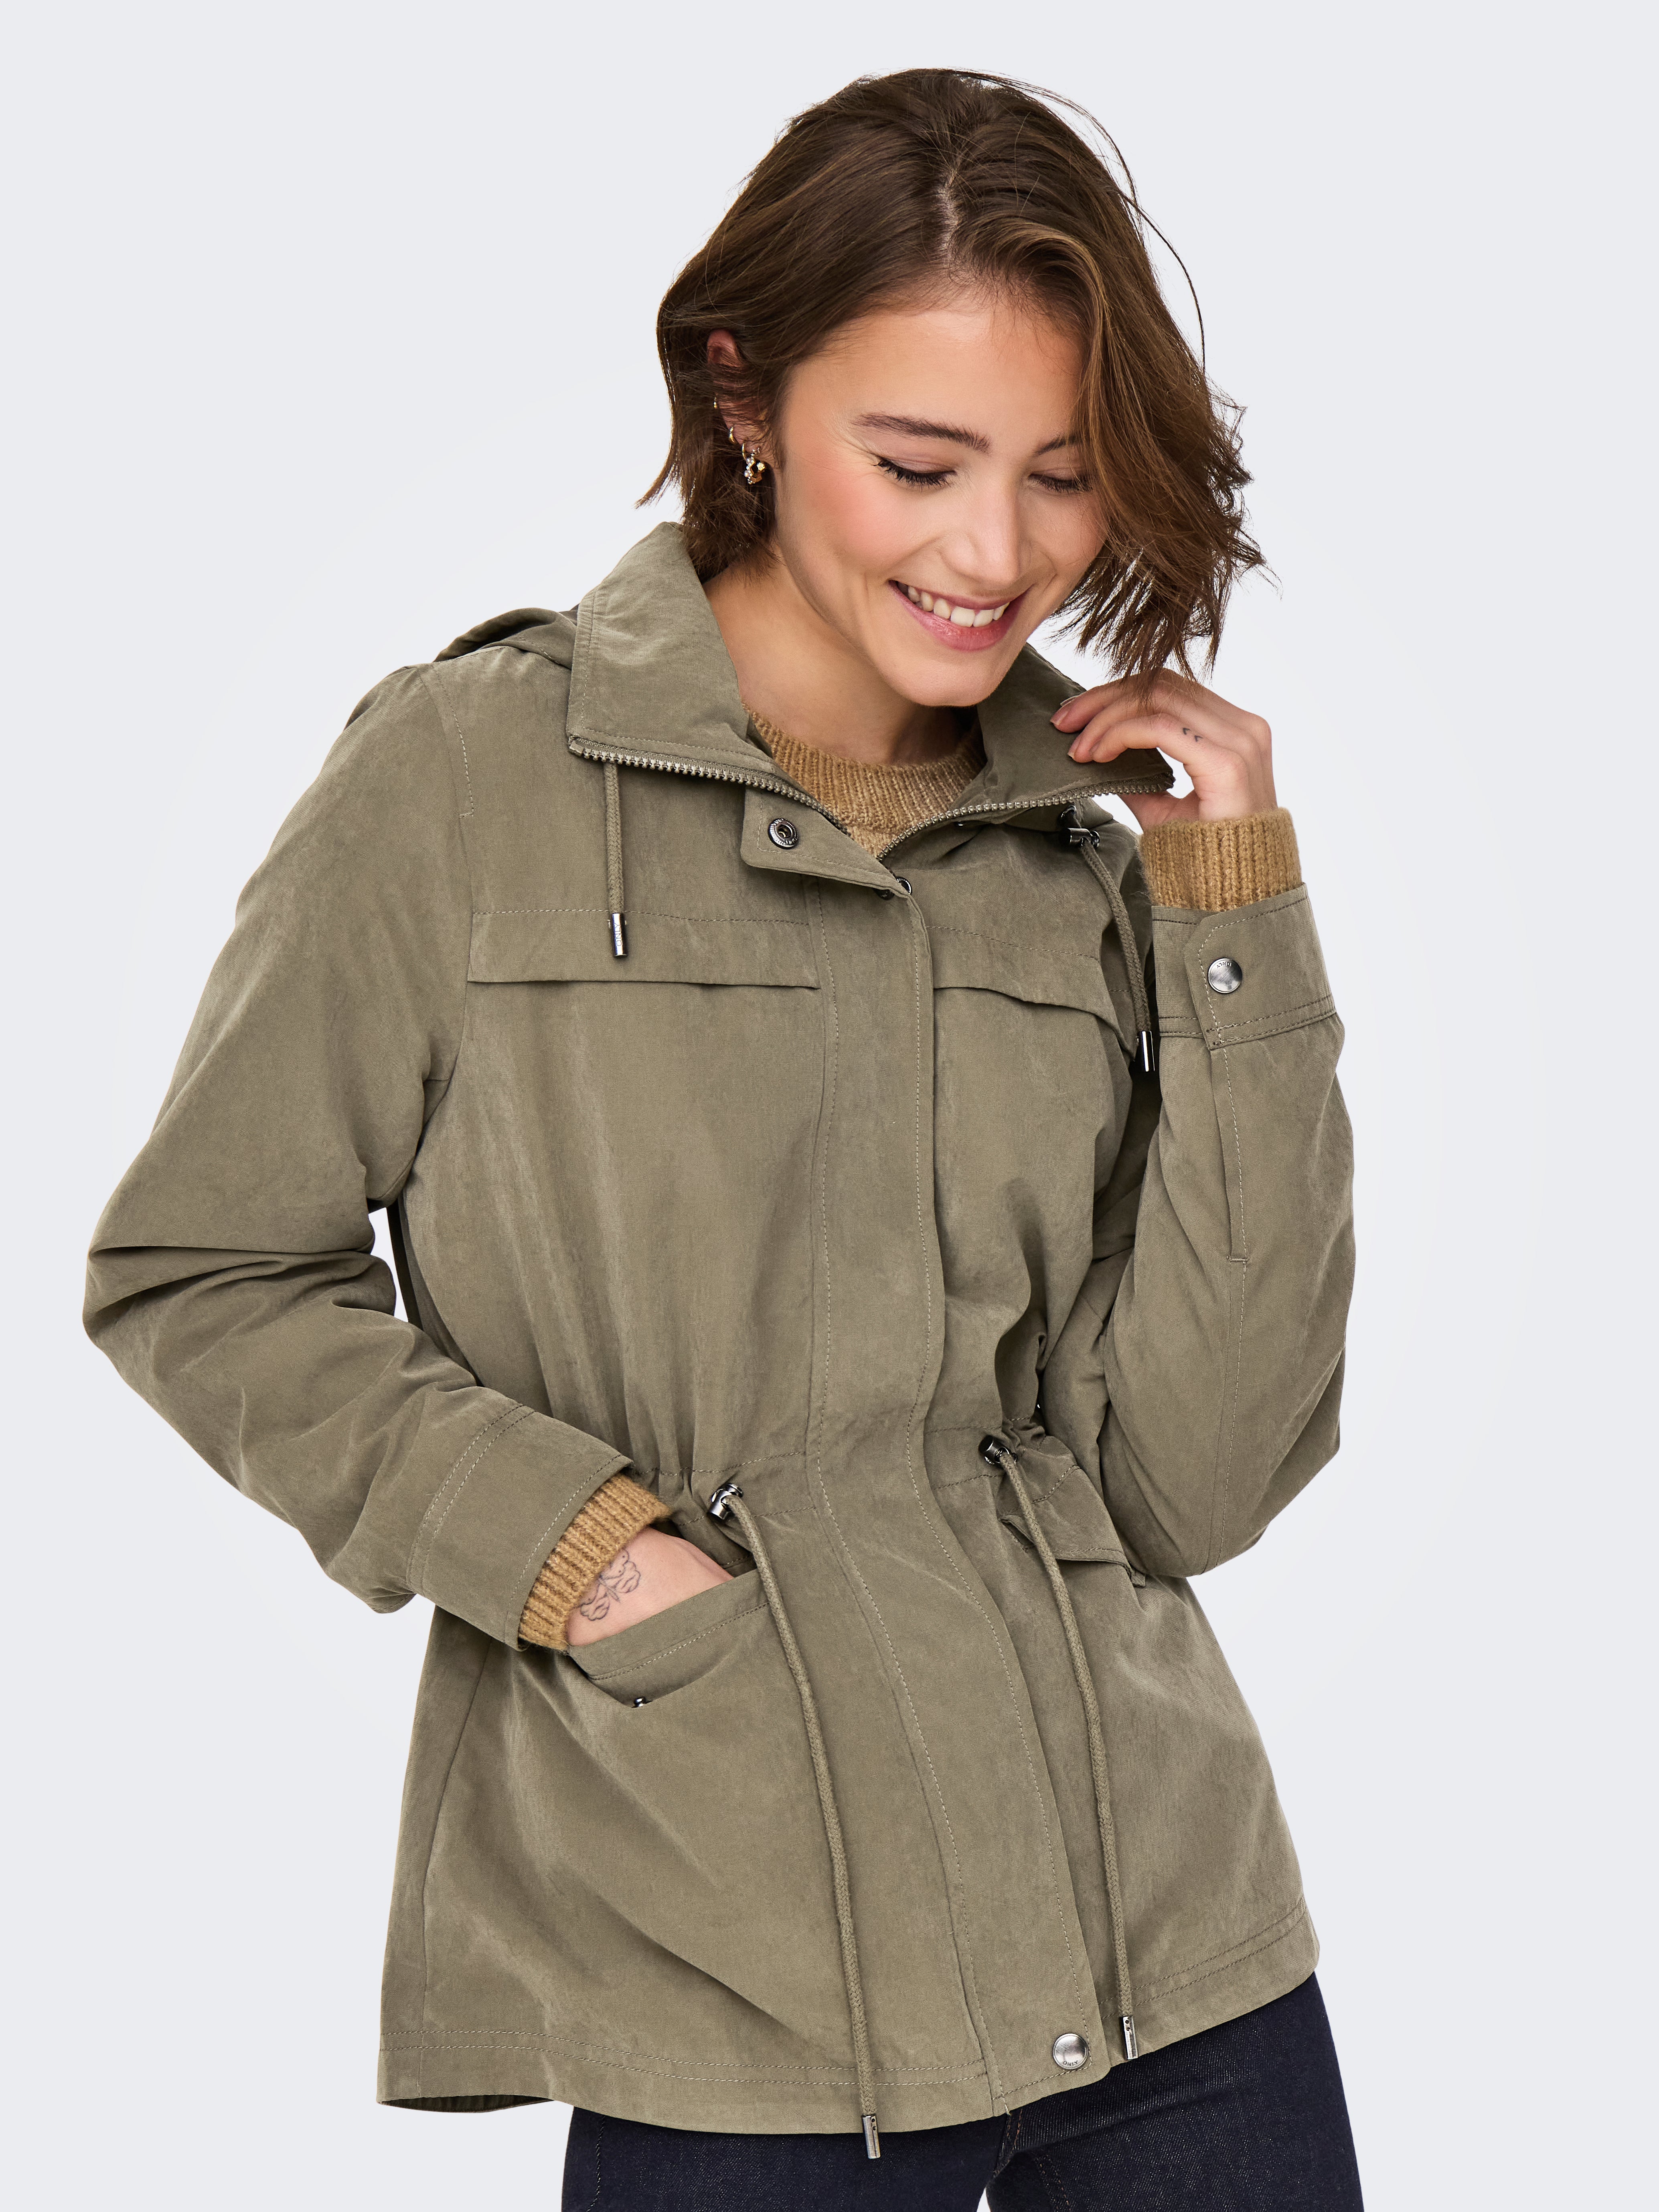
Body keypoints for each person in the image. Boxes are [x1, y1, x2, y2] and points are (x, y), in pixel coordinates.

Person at [86, 67, 1361, 2211]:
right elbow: (202, 1271)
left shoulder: (1091, 854)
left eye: (1063, 475)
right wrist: (584, 1555)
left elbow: (1196, 1480)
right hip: (725, 1938)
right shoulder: (470, 781)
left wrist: (1237, 918)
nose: (997, 553)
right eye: (919, 463)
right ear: (743, 393)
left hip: (1171, 1947)